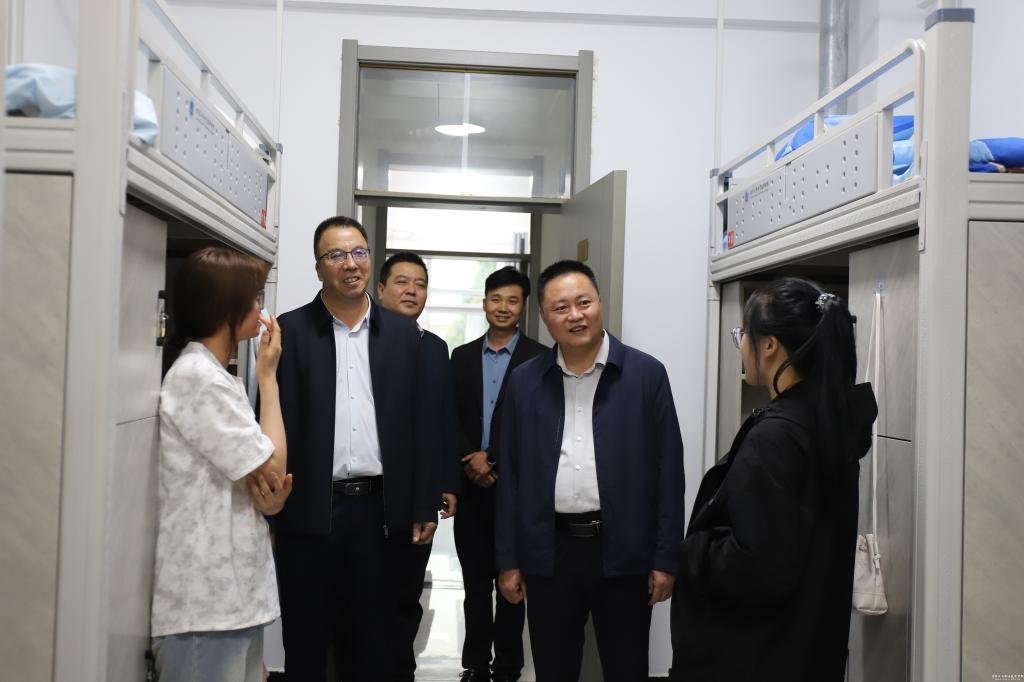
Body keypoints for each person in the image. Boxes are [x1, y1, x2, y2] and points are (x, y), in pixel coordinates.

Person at [669, 277, 877, 682]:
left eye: (742, 335)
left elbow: (758, 566)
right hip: (810, 646)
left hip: (760, 655)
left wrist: (693, 551)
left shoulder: (775, 438)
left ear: (768, 345)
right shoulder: (829, 422)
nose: (741, 347)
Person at [495, 260, 686, 682]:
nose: (575, 315)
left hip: (625, 551)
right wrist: (508, 560)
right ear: (544, 317)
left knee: (626, 667)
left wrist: (666, 557)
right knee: (554, 668)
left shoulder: (646, 375)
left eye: (584, 303)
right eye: (561, 307)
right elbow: (510, 476)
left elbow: (669, 473)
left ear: (600, 302)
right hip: (549, 552)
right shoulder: (525, 381)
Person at [272, 216, 437, 682]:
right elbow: (273, 420)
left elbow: (420, 423)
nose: (351, 264)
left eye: (359, 252)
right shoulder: (290, 331)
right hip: (308, 512)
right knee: (306, 641)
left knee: (373, 644)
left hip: (379, 514)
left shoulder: (403, 335)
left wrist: (422, 501)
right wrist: (272, 514)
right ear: (318, 267)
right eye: (336, 255)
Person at [151, 246, 291, 682]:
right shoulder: (197, 376)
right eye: (253, 298)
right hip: (205, 607)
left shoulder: (215, 375)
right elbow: (273, 468)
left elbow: (268, 484)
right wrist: (268, 379)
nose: (260, 309)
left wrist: (271, 500)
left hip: (230, 600)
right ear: (224, 307)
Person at [450, 266, 546, 682]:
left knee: (512, 582)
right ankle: (475, 664)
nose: (503, 307)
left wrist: (492, 460)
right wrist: (468, 458)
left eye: (512, 300)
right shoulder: (461, 357)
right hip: (470, 489)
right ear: (484, 303)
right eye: (496, 299)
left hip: (516, 490)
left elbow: (538, 425)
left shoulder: (540, 359)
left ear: (523, 307)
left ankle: (508, 666)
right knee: (474, 585)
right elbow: (450, 416)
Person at [376, 251, 460, 681]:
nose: (412, 291)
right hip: (368, 496)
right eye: (402, 282)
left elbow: (442, 420)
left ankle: (400, 670)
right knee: (363, 597)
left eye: (420, 284)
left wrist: (445, 482)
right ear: (380, 290)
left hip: (417, 495)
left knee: (406, 593)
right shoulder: (360, 342)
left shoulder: (434, 348)